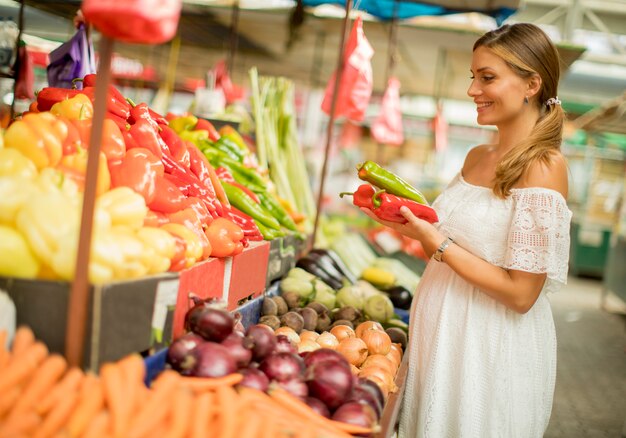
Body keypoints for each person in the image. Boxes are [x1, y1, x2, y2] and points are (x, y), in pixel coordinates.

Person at [362, 23, 572, 437]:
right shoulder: (477, 155)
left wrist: (435, 242)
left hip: (488, 348)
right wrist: (410, 228)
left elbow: (521, 294)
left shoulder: (544, 167)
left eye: (488, 77)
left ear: (532, 83)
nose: (473, 90)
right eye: (473, 77)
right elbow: (455, 248)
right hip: (441, 335)